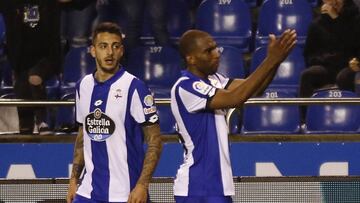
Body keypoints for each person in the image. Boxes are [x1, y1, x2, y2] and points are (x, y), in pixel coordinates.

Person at [170, 29, 297, 203]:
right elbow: (235, 98)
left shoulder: (214, 79)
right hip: (197, 187)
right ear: (190, 58)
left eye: (216, 49)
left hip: (216, 186)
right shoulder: (186, 86)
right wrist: (270, 60)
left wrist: (276, 62)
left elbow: (255, 89)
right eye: (208, 51)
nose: (216, 55)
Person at [66, 22, 162, 203]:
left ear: (121, 51)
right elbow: (82, 135)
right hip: (88, 193)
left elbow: (155, 141)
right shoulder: (83, 86)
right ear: (93, 51)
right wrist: (73, 180)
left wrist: (142, 185)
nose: (110, 52)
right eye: (103, 46)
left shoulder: (135, 87)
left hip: (125, 195)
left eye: (115, 46)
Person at [0, 0, 93, 134]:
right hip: (20, 60)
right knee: (21, 86)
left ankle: (43, 121)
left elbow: (80, 4)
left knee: (34, 77)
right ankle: (26, 128)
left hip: (48, 57)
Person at [300, 0, 360, 99]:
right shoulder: (317, 24)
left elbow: (352, 43)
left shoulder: (355, 19)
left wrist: (336, 19)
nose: (334, 2)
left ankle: (351, 112)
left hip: (349, 65)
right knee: (307, 75)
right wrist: (323, 60)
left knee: (343, 77)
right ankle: (305, 114)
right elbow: (309, 54)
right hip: (327, 67)